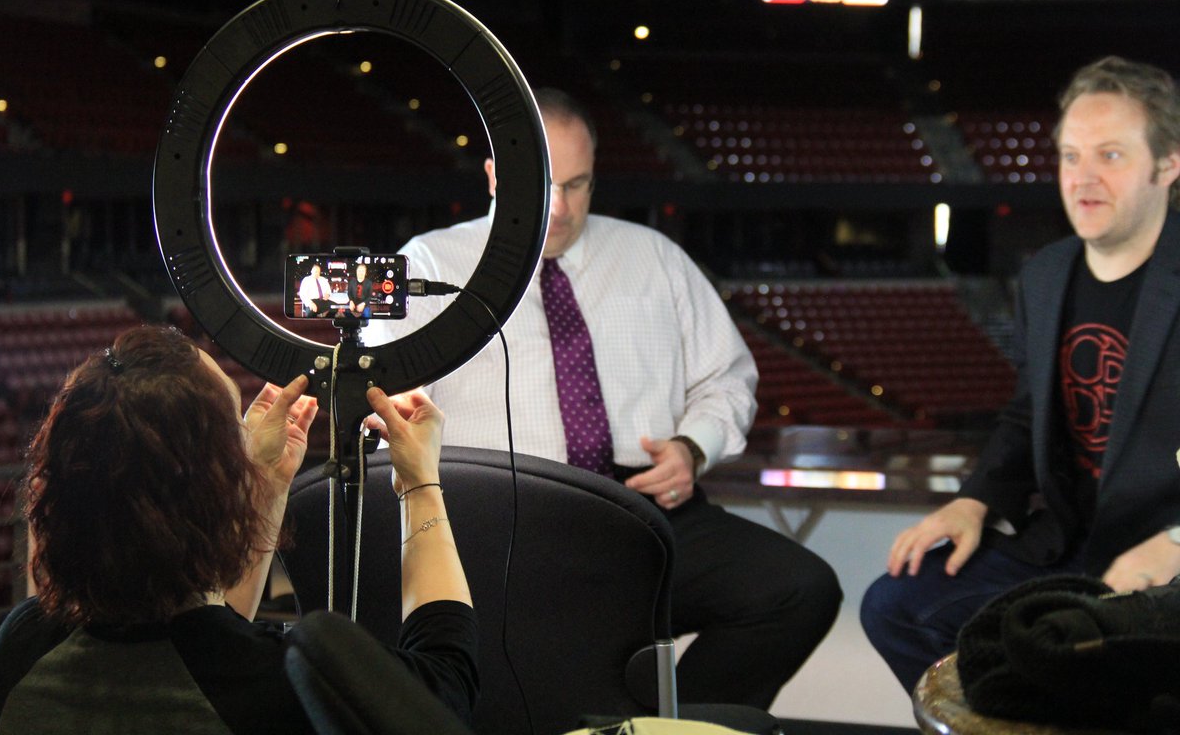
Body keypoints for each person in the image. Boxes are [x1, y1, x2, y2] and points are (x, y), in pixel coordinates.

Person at [364, 88, 841, 710]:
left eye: (577, 185)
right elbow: (384, 398)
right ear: (495, 176)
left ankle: (674, 729)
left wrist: (692, 448)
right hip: (500, 517)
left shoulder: (655, 257)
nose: (560, 208)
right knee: (542, 659)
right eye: (543, 185)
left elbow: (726, 378)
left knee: (799, 589)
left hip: (640, 508)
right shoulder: (427, 263)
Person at [860, 55, 1180, 694]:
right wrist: (974, 500)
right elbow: (1028, 412)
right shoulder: (1046, 273)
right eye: (1070, 156)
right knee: (898, 608)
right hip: (1068, 549)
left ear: (1168, 165)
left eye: (1111, 155)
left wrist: (1175, 543)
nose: (1083, 178)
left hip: (1161, 558)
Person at [0, 325, 477, 733]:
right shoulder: (285, 685)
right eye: (235, 432)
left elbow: (206, 641)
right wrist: (420, 483)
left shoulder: (25, 644)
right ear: (214, 493)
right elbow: (445, 683)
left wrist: (265, 484)